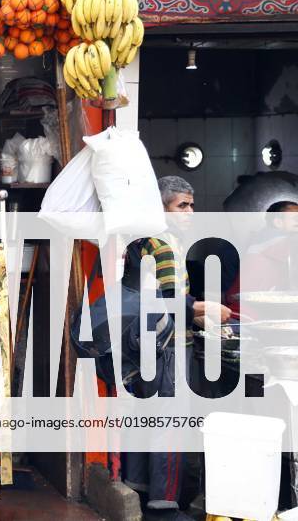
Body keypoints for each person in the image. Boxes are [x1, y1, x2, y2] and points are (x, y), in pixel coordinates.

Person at [121, 175, 227, 521]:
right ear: (161, 208)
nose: (190, 212)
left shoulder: (144, 240)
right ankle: (164, 506)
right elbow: (169, 303)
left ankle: (137, 487)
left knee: (144, 420)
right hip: (168, 349)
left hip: (148, 347)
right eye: (182, 205)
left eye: (191, 205)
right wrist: (205, 309)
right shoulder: (164, 245)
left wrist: (197, 316)